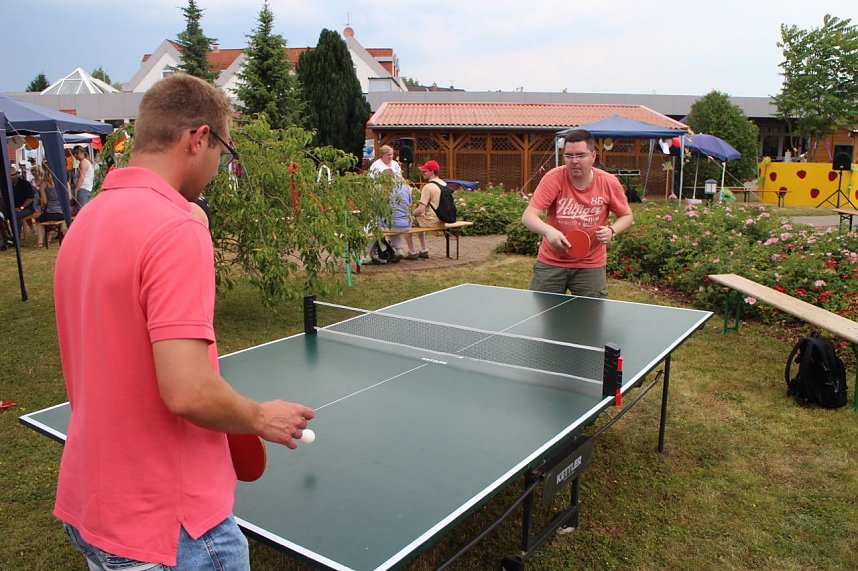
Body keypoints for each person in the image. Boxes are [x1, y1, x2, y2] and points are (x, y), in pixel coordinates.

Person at [52, 73, 315, 571]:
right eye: (224, 153)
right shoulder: (174, 229)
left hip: (96, 506)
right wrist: (262, 417)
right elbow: (188, 391)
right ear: (199, 138)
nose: (219, 166)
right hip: (171, 525)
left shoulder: (88, 218)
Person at [521, 129, 633, 298]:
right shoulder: (553, 178)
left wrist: (612, 230)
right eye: (569, 155)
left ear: (593, 156)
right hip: (551, 261)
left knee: (590, 318)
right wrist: (548, 231)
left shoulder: (609, 182)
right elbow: (528, 216)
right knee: (541, 319)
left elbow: (626, 215)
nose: (574, 161)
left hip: (590, 264)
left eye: (580, 155)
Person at [412, 160, 447, 259]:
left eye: (424, 171)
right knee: (420, 218)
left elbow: (420, 210)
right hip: (443, 220)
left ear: (432, 172)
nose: (422, 173)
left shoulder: (428, 187)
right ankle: (423, 250)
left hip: (432, 221)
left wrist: (411, 213)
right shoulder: (443, 184)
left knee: (409, 221)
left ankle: (412, 251)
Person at [33, 163, 66, 247]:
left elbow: (44, 201)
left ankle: (40, 242)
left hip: (51, 211)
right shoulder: (63, 182)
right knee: (50, 220)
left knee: (40, 220)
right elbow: (68, 198)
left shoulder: (43, 184)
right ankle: (48, 240)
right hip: (63, 213)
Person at [8, 165, 35, 235]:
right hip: (12, 208)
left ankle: (16, 237)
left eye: (13, 177)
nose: (11, 179)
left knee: (16, 216)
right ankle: (6, 237)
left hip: (26, 208)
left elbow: (30, 198)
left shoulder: (25, 184)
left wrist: (21, 207)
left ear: (17, 175)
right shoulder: (7, 185)